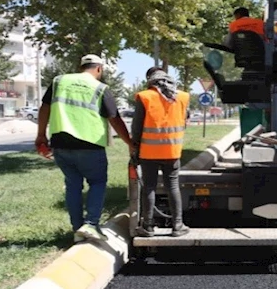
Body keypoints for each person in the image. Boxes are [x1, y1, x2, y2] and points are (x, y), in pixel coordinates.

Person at [35, 54, 134, 242]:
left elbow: (44, 108)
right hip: (90, 145)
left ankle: (77, 229)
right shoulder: (100, 88)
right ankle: (91, 224)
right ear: (99, 69)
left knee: (73, 184)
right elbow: (115, 119)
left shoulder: (59, 81)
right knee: (97, 182)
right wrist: (129, 143)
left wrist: (41, 135)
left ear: (81, 66)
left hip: (61, 143)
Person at [131, 69, 191, 237]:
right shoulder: (183, 97)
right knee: (172, 186)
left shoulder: (144, 96)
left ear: (150, 80)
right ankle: (177, 226)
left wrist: (134, 146)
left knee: (149, 186)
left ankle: (148, 226)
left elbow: (137, 127)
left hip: (148, 152)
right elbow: (184, 120)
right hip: (172, 150)